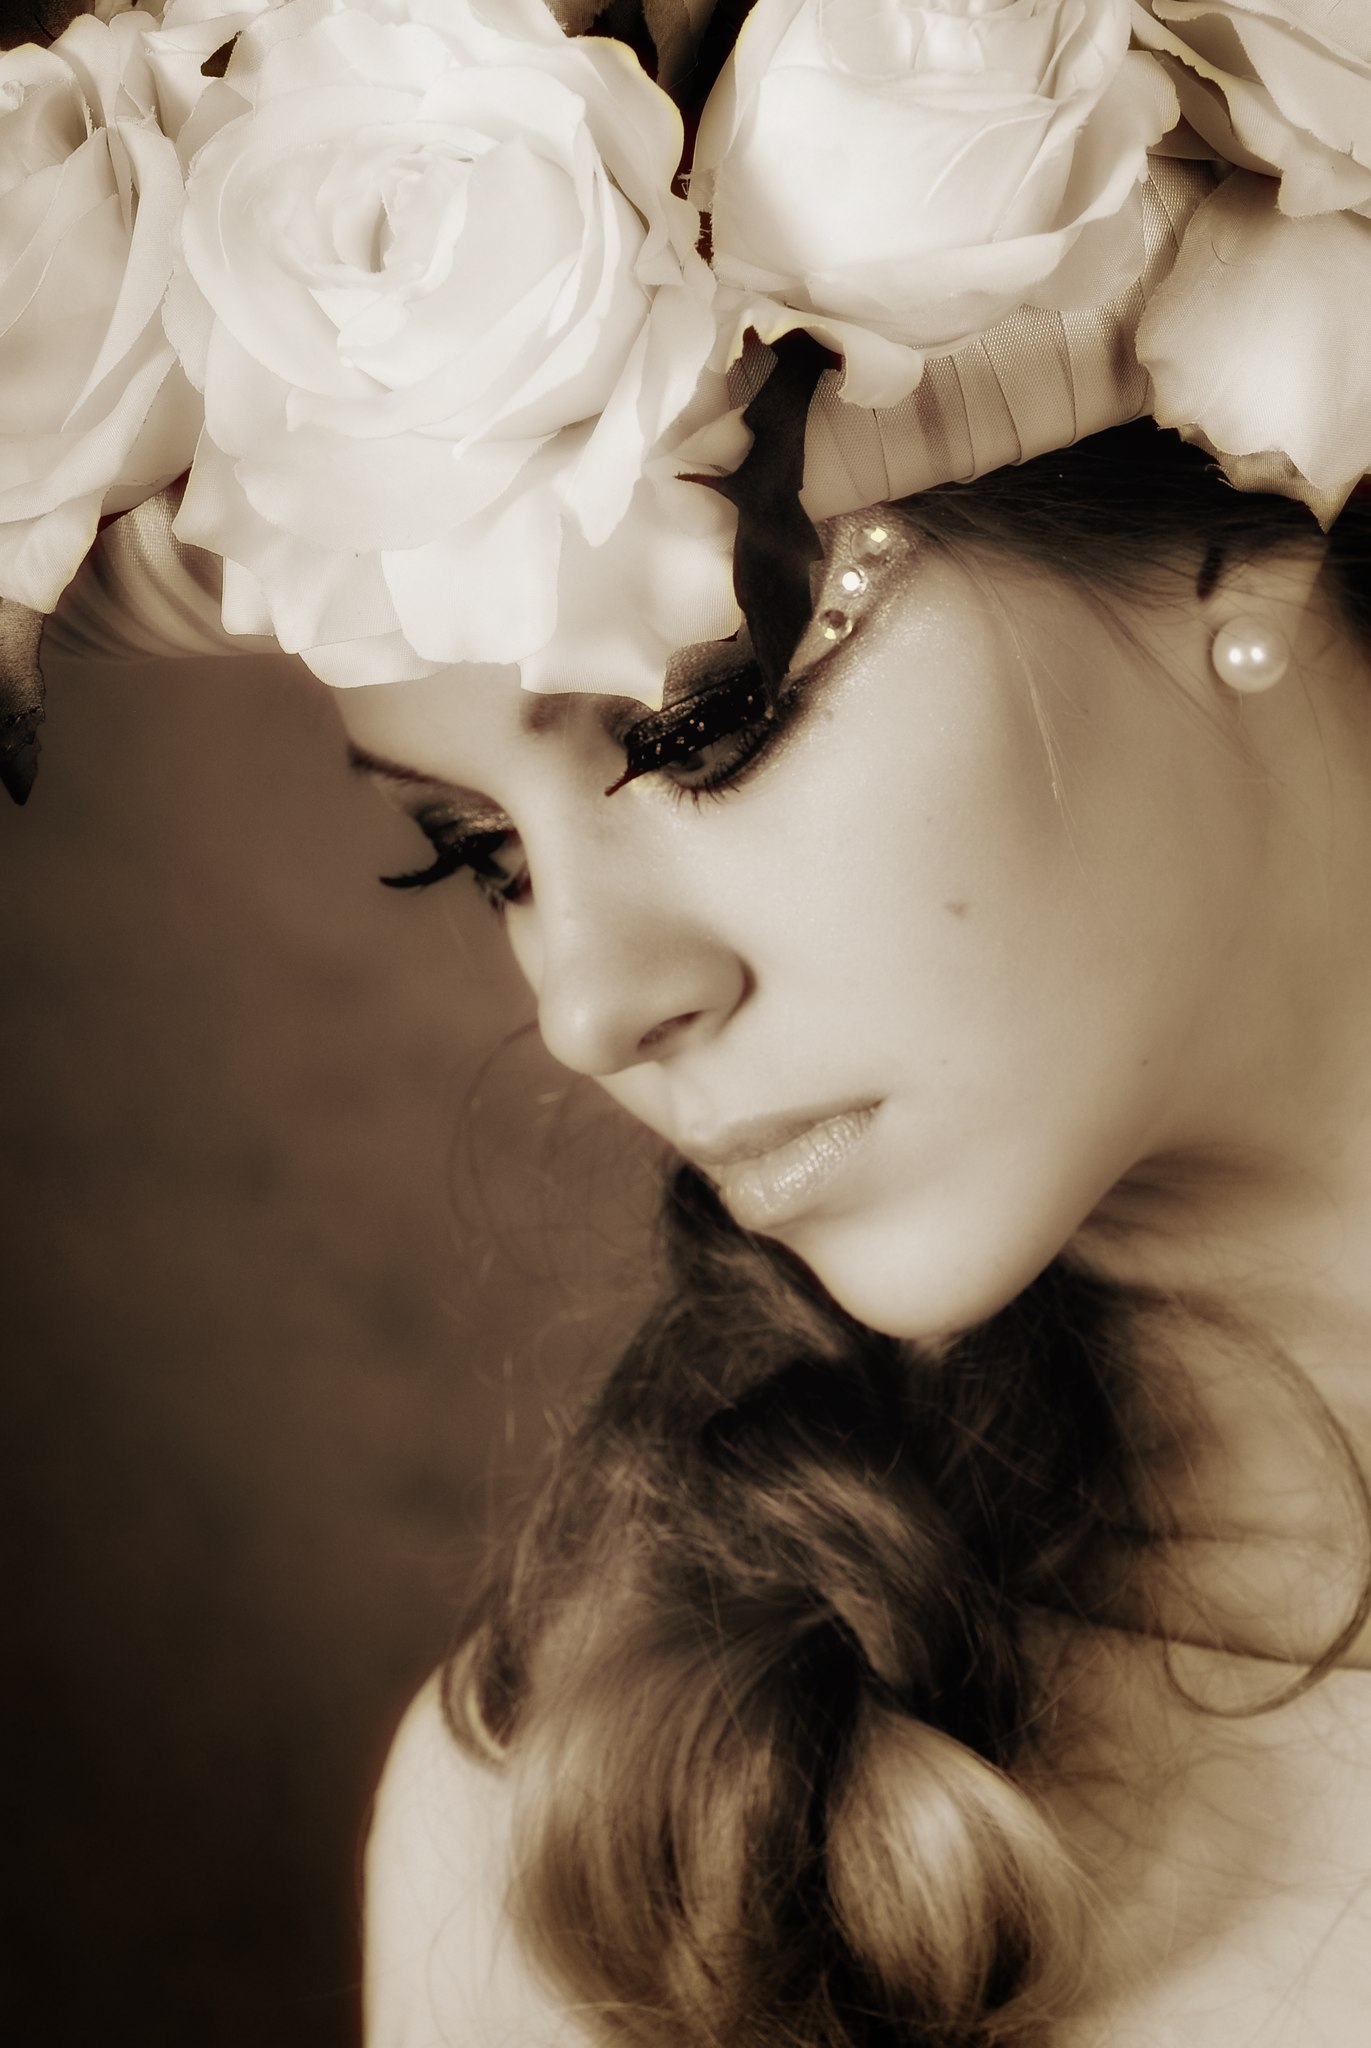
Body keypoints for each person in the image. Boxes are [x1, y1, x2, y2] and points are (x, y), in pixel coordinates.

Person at [6, 0, 1371, 2042]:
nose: (586, 1003)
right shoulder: (615, 1855)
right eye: (480, 854)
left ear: (1238, 524)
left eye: (701, 725)